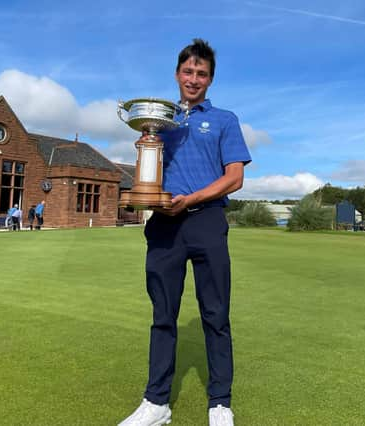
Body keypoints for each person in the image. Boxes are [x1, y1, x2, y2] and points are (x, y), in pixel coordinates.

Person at [119, 39, 251, 426]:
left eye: (202, 74)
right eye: (188, 72)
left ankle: (220, 403)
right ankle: (156, 403)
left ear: (210, 80)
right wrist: (145, 147)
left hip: (207, 221)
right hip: (164, 224)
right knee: (163, 314)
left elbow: (235, 177)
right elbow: (152, 171)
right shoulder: (162, 122)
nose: (194, 79)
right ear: (177, 75)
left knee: (215, 314)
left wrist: (191, 197)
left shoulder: (225, 119)